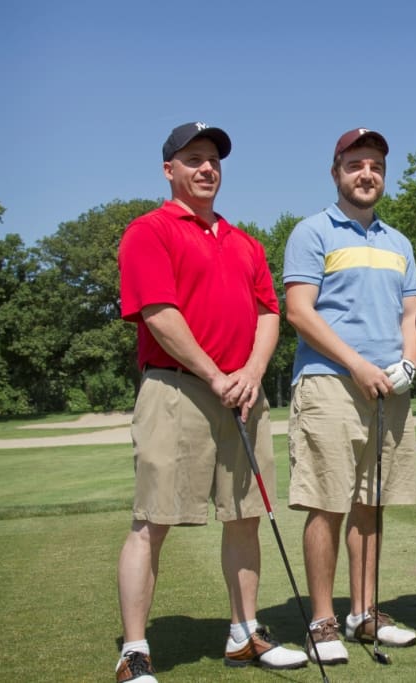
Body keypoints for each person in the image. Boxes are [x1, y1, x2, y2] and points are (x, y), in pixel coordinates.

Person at [115, 122, 308, 682]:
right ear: (168, 169)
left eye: (214, 160)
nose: (207, 168)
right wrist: (215, 374)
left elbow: (270, 312)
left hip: (243, 396)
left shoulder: (244, 241)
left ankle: (244, 634)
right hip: (177, 389)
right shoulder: (148, 231)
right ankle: (134, 652)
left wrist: (248, 372)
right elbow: (158, 312)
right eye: (193, 158)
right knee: (152, 520)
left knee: (246, 517)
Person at [283, 128, 416, 664]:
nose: (368, 174)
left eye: (377, 167)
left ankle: (365, 612)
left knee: (371, 504)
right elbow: (299, 311)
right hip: (330, 383)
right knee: (327, 503)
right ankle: (322, 621)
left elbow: (412, 314)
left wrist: (409, 361)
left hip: (390, 387)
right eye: (357, 164)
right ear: (336, 170)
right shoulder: (312, 232)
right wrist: (358, 364)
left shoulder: (400, 242)